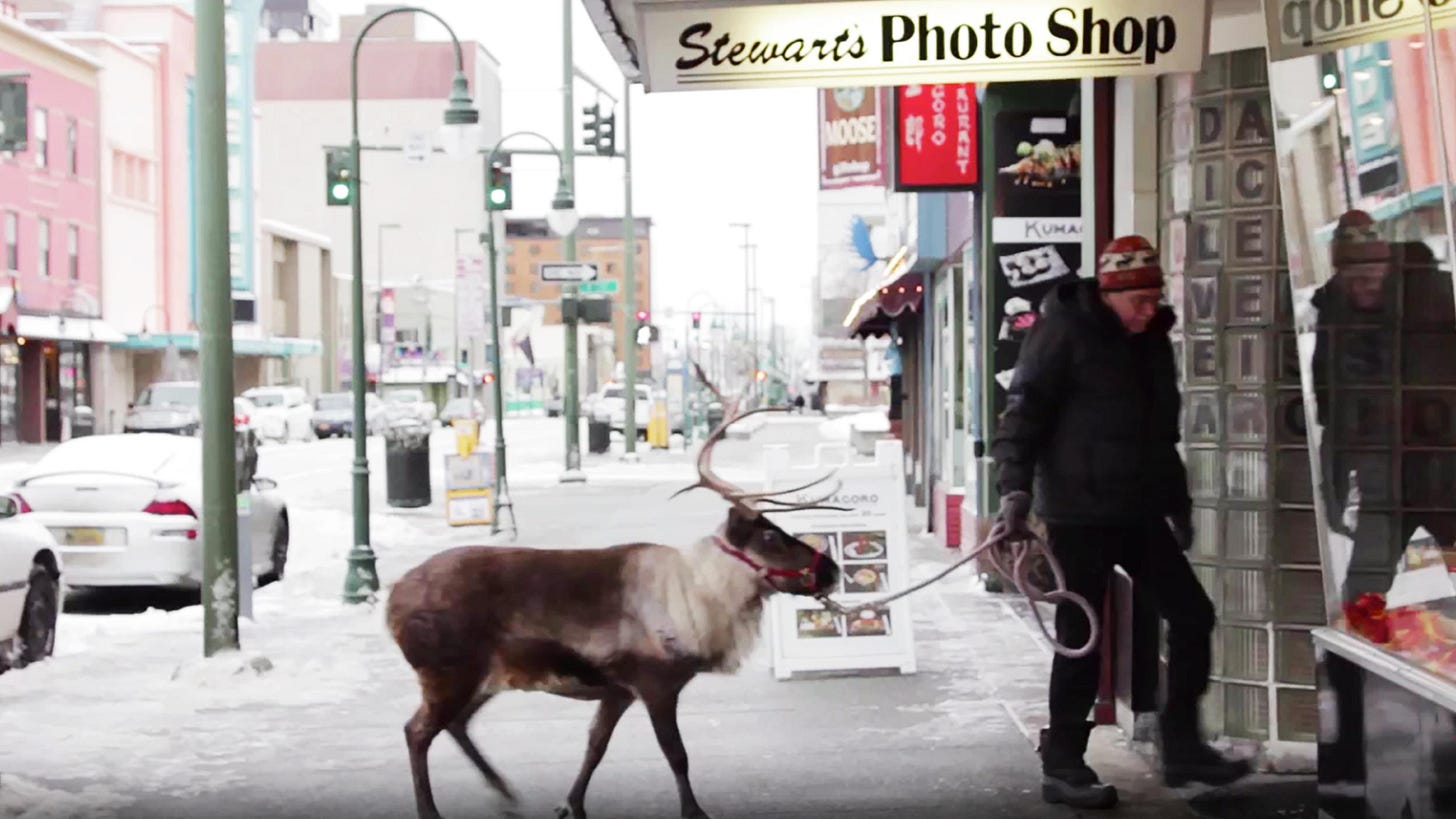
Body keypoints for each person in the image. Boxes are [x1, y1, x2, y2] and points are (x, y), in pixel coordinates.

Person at [989, 235, 1250, 809]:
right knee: (1082, 638)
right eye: (1140, 298)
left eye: (1156, 295)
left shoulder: (1152, 341)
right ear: (1110, 294)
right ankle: (1062, 765)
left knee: (1191, 614)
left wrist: (1176, 503)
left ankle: (1181, 745)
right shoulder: (1062, 332)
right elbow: (1022, 414)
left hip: (1136, 509)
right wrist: (1013, 492)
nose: (1150, 307)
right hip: (1078, 512)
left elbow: (1161, 434)